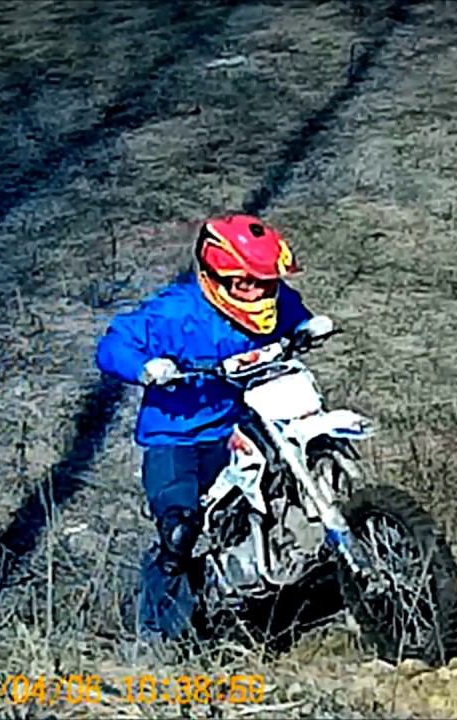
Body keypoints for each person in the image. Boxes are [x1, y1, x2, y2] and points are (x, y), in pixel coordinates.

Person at [95, 214, 315, 644]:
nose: (259, 293)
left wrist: (307, 327)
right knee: (179, 532)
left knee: (287, 485)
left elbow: (294, 315)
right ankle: (156, 637)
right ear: (216, 276)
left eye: (265, 283)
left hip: (242, 423)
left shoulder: (277, 301)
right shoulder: (174, 312)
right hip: (176, 438)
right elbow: (113, 344)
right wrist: (144, 367)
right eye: (246, 284)